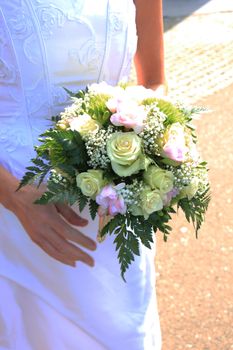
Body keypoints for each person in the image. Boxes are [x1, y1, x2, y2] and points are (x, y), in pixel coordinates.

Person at [0, 0, 165, 349]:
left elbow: (154, 82)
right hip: (16, 215)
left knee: (123, 334)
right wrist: (15, 198)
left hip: (114, 205)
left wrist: (149, 145)